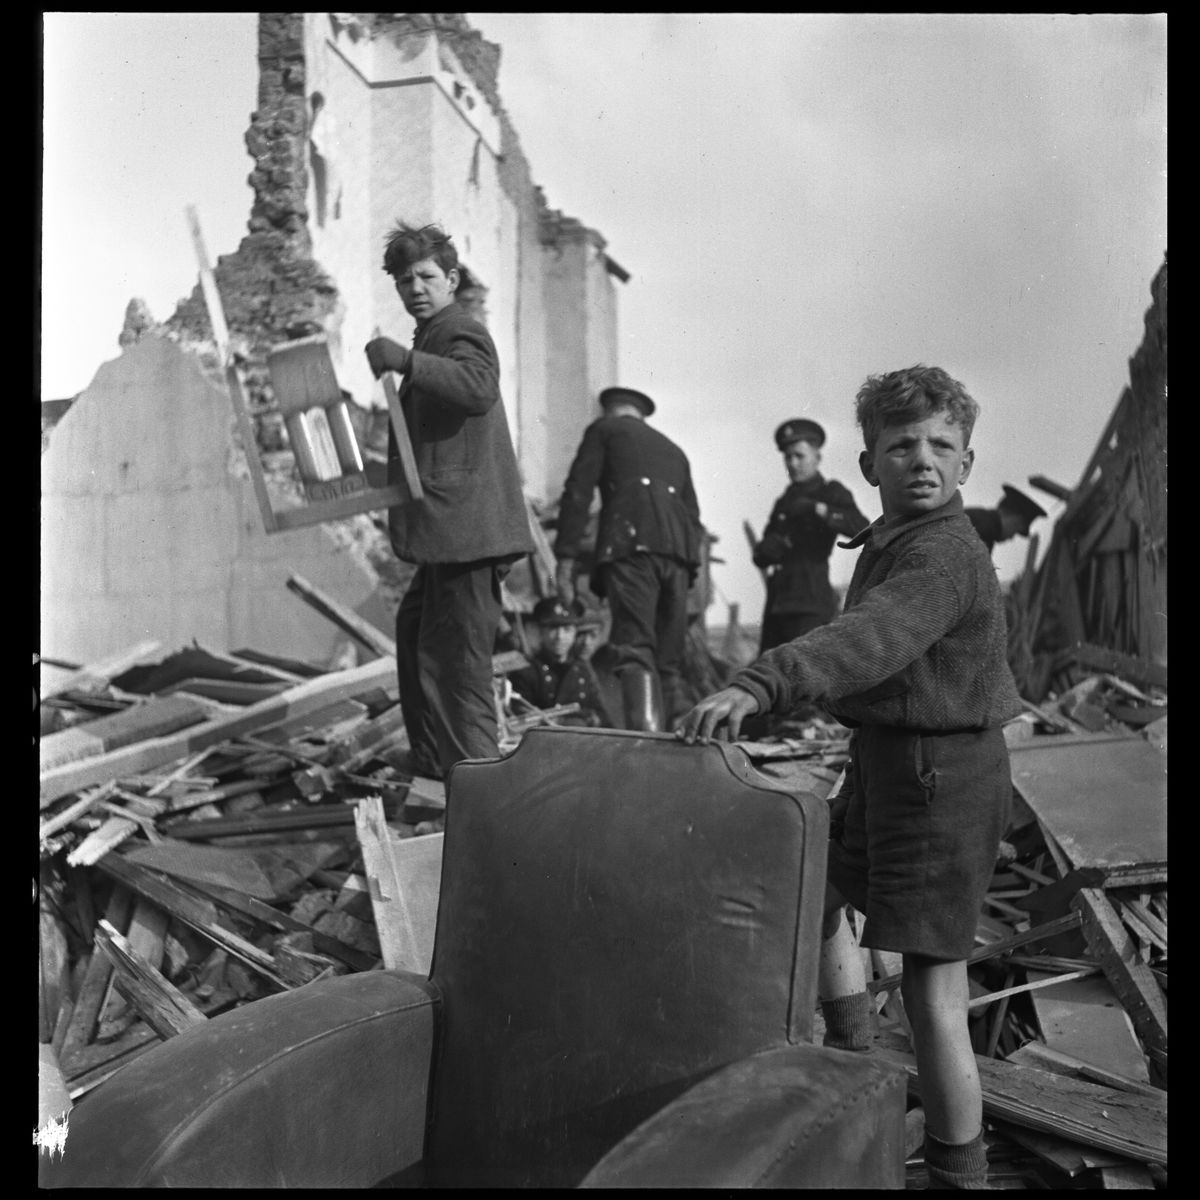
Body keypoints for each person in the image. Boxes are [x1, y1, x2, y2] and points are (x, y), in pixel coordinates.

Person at [677, 364, 1022, 1190]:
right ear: (868, 465)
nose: (923, 460)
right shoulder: (892, 540)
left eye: (943, 444)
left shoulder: (942, 556)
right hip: (888, 767)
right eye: (901, 445)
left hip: (947, 777)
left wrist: (760, 681)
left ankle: (956, 1172)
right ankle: (850, 1053)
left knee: (936, 997)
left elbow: (870, 637)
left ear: (968, 464)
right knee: (816, 883)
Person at [364, 221, 534, 785]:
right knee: (417, 643)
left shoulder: (460, 329)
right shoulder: (430, 337)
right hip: (448, 534)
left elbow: (478, 386)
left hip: (468, 534)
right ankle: (438, 776)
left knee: (460, 668)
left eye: (426, 276)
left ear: (452, 279)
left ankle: (479, 792)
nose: (414, 287)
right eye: (404, 279)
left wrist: (406, 363)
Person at [554, 386, 703, 732]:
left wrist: (565, 558)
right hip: (678, 558)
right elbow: (693, 517)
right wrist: (687, 573)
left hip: (630, 546)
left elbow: (578, 491)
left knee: (634, 648)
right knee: (668, 658)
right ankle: (683, 746)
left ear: (609, 411)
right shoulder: (674, 450)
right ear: (641, 414)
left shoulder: (604, 430)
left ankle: (646, 742)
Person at [754, 418, 870, 653]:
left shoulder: (830, 492)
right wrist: (770, 547)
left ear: (817, 457)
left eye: (800, 456)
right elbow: (760, 555)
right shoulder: (784, 501)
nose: (793, 463)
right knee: (770, 674)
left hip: (810, 602)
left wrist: (820, 509)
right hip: (777, 604)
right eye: (788, 457)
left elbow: (862, 528)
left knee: (805, 674)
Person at [509, 597, 612, 727]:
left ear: (575, 633)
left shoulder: (582, 671)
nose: (560, 637)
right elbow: (519, 717)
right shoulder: (527, 671)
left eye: (567, 629)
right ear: (541, 632)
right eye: (553, 629)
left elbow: (602, 716)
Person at [965, 484, 1047, 555]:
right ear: (1014, 520)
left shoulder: (981, 521)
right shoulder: (986, 529)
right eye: (1015, 530)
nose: (1011, 537)